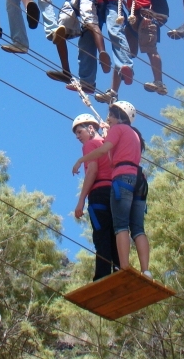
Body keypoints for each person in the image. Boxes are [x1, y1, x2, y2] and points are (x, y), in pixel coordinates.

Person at [72, 101, 151, 279]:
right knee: (137, 228)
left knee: (114, 229)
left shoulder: (100, 140)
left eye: (79, 132)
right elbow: (113, 153)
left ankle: (117, 270)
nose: (108, 119)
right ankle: (144, 270)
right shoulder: (135, 134)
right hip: (137, 180)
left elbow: (96, 164)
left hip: (115, 183)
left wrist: (80, 161)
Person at [71, 113, 120, 280]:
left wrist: (81, 201)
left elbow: (92, 171)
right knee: (115, 234)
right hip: (114, 192)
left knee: (101, 235)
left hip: (99, 193)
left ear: (90, 128)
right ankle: (119, 269)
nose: (78, 137)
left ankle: (102, 276)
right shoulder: (108, 144)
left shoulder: (90, 145)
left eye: (79, 132)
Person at [125, 0, 167, 95]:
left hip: (146, 14)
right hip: (132, 14)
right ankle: (127, 68)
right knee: (128, 44)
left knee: (150, 47)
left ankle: (159, 82)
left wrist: (151, 14)